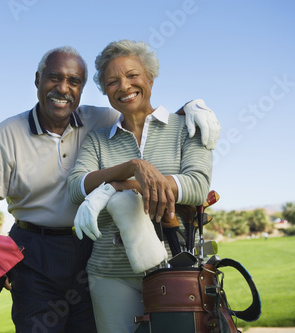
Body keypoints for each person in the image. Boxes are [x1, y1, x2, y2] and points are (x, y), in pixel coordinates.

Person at [0, 46, 218, 332]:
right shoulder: (10, 133)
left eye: (74, 81)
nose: (63, 88)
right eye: (54, 78)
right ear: (37, 80)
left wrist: (194, 104)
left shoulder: (100, 120)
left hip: (88, 245)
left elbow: (144, 110)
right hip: (34, 250)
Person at [67, 39, 213, 332]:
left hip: (176, 270)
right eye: (112, 81)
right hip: (110, 275)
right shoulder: (97, 140)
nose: (123, 86)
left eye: (132, 75)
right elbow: (75, 188)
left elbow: (197, 185)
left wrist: (113, 186)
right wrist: (135, 168)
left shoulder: (188, 127)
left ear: (149, 77)